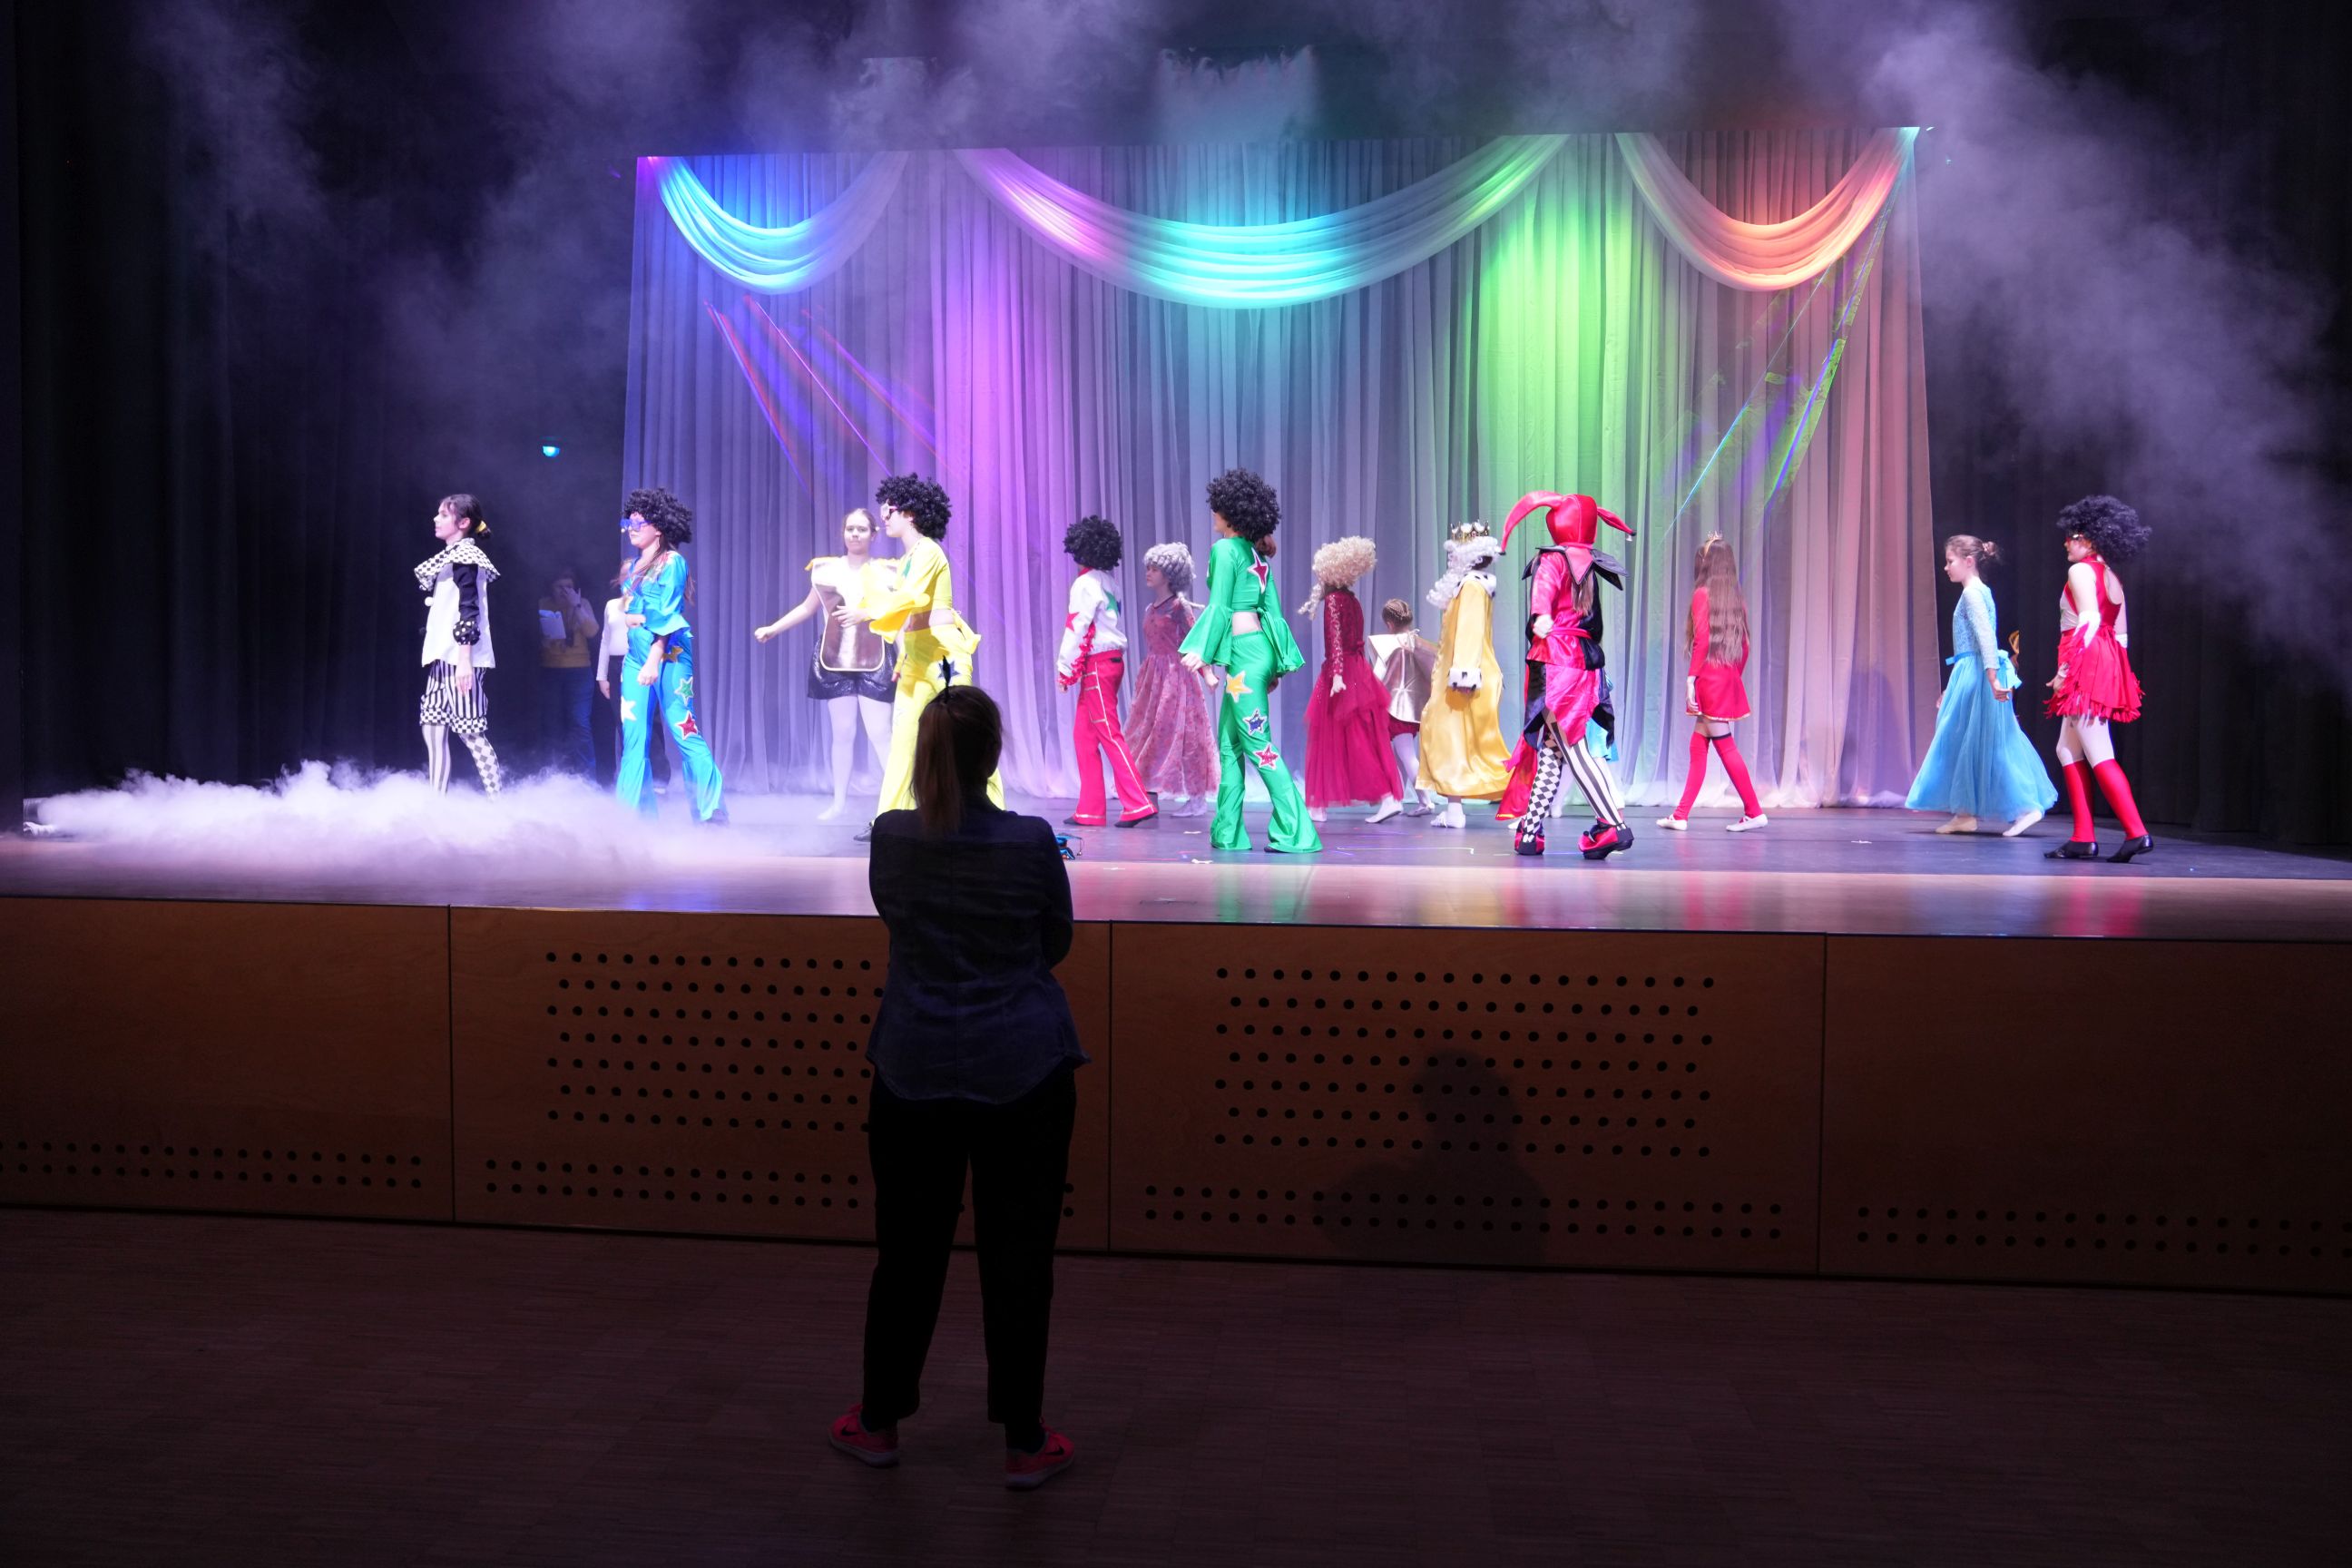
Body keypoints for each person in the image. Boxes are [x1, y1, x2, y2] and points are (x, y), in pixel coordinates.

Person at [830, 685, 1085, 1491]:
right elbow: (1056, 941)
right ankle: (1023, 1440)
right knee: (1020, 1256)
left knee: (907, 1254)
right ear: (994, 756)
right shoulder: (1031, 840)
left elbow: (897, 922)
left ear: (923, 754)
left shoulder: (891, 837)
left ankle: (878, 1422)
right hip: (1024, 1067)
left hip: (915, 1066)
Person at [834, 473, 1002, 835]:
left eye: (890, 510)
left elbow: (909, 598)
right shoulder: (909, 557)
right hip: (917, 657)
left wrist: (865, 612)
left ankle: (994, 812)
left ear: (909, 513)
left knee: (965, 729)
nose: (884, 516)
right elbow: (907, 613)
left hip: (944, 655)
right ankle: (889, 819)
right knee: (904, 739)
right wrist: (904, 658)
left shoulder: (928, 551)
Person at [1178, 468, 1321, 854]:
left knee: (1258, 745)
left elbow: (1220, 606)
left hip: (1243, 656)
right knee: (1230, 744)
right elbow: (1272, 613)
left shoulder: (1226, 550)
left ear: (1230, 511)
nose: (1213, 513)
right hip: (1256, 654)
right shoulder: (1257, 558)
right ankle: (1228, 832)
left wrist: (1202, 649)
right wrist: (1274, 666)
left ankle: (1298, 832)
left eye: (1217, 507)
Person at [1495, 491, 1635, 860]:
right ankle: (1530, 832)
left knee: (1573, 746)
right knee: (1553, 749)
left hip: (1557, 663)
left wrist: (1541, 615)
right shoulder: (1587, 564)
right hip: (1581, 661)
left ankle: (1612, 825)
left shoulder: (1554, 559)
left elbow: (1543, 589)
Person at [1905, 534, 2056, 836]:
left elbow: (1985, 636)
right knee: (1966, 740)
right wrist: (1953, 687)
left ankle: (2026, 807)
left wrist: (1992, 677)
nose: (1946, 567)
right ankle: (1965, 813)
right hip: (1970, 670)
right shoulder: (1977, 591)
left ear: (1968, 561)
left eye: (1950, 561)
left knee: (1988, 741)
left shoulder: (1973, 593)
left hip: (1977, 672)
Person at [754, 507, 897, 821]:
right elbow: (808, 608)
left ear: (874, 534)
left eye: (862, 529)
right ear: (843, 533)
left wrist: (904, 654)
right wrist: (773, 628)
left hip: (875, 658)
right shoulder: (826, 571)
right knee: (842, 733)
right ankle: (839, 803)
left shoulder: (888, 572)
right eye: (850, 529)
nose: (855, 534)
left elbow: (898, 616)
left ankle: (895, 806)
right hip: (835, 658)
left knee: (880, 733)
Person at [2043, 495, 2153, 863]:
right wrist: (2117, 675)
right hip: (2104, 661)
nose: (2066, 543)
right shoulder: (2112, 578)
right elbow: (2121, 635)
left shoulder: (2081, 571)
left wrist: (2066, 671)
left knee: (2099, 751)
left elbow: (2089, 620)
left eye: (2073, 536)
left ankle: (2136, 832)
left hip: (2085, 662)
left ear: (2091, 540)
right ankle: (2083, 838)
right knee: (2067, 749)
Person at [614, 486, 726, 822]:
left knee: (682, 729)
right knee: (634, 737)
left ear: (658, 528)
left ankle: (710, 811)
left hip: (669, 655)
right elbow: (633, 612)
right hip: (635, 656)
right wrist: (632, 619)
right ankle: (633, 816)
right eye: (629, 523)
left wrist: (653, 658)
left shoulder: (672, 562)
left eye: (639, 523)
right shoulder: (635, 565)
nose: (631, 529)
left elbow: (667, 615)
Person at [1656, 534, 1768, 833]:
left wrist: (1692, 678)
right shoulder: (1734, 597)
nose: (1699, 559)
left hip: (1709, 678)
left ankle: (1754, 811)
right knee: (1699, 743)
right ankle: (1680, 815)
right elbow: (1745, 645)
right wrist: (1733, 676)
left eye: (1703, 555)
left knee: (1725, 746)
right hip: (1725, 676)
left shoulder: (1702, 594)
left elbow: (1703, 640)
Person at [1054, 514, 1156, 828]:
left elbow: (1078, 626)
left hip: (1098, 664)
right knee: (1084, 736)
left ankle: (1138, 803)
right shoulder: (1109, 582)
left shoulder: (1085, 583)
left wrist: (1064, 667)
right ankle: (1090, 810)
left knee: (1108, 733)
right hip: (1109, 662)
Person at [1297, 536, 1405, 823]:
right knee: (1357, 735)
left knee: (1339, 736)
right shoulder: (1352, 600)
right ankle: (1327, 804)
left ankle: (1382, 797)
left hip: (1341, 671)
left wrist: (1336, 676)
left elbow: (1334, 640)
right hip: (1357, 669)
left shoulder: (1333, 601)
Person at [1416, 522, 1514, 828]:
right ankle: (1455, 810)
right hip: (1459, 674)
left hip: (1467, 677)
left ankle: (1522, 799)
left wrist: (1464, 676)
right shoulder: (1469, 585)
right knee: (1453, 743)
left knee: (1472, 745)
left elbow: (1470, 632)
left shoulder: (1471, 587)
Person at [413, 493, 503, 797]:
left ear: (463, 523)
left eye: (443, 514)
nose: (436, 519)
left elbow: (469, 609)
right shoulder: (453, 556)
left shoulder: (467, 556)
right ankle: (436, 802)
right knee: (433, 725)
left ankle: (498, 803)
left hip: (461, 658)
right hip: (443, 657)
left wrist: (465, 660)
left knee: (470, 732)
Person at [1126, 543, 1217, 817]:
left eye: (1155, 569)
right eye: (1148, 568)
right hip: (1153, 678)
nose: (1149, 573)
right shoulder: (1150, 608)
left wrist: (1208, 674)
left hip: (1177, 678)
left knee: (1187, 736)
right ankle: (1146, 794)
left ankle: (1197, 797)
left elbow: (1195, 643)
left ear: (1169, 574)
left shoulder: (1179, 607)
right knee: (1149, 733)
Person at [600, 555, 670, 791]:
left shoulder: (650, 603)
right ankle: (633, 776)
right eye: (624, 575)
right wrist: (602, 676)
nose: (628, 579)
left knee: (649, 720)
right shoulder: (612, 605)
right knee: (622, 721)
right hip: (616, 665)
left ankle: (659, 778)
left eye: (633, 574)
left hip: (641, 663)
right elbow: (605, 640)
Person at [1368, 598, 1442, 816]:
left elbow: (1377, 675)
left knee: (1406, 755)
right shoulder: (1419, 643)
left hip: (1396, 709)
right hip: (1412, 707)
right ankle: (1405, 799)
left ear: (1389, 624)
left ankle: (1425, 801)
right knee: (1401, 755)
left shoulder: (1388, 645)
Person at [538, 567, 601, 778]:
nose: (564, 591)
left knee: (580, 723)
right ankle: (554, 774)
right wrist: (546, 641)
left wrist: (576, 605)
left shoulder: (583, 603)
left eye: (569, 587)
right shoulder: (544, 604)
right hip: (551, 669)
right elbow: (533, 636)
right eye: (560, 587)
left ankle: (587, 777)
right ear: (551, 588)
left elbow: (592, 631)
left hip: (579, 671)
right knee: (552, 724)